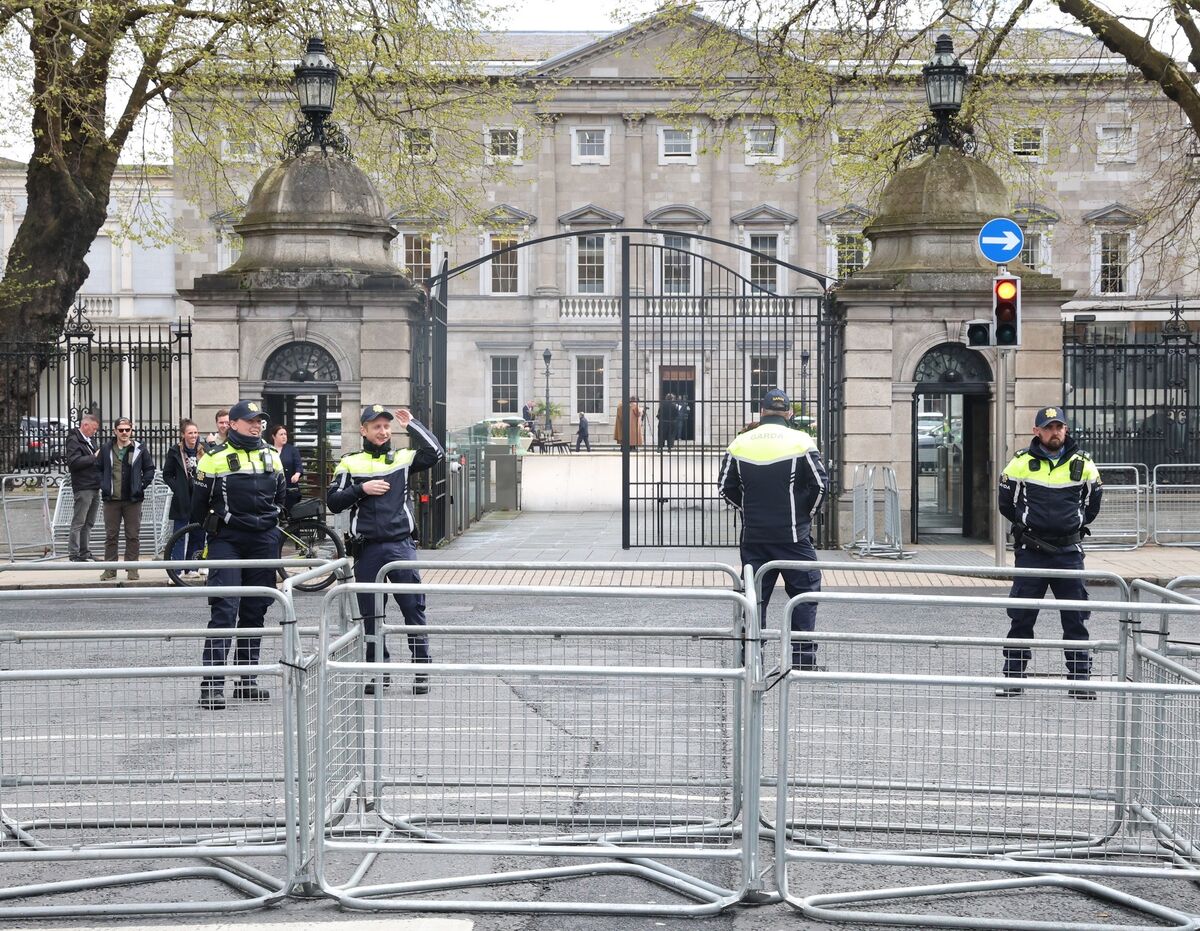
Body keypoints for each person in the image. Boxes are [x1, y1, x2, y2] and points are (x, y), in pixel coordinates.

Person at [328, 404, 445, 695]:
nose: (382, 431)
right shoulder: (350, 463)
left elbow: (436, 454)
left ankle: (421, 669)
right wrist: (361, 490)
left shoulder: (403, 458)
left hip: (399, 546)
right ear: (363, 430)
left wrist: (413, 425)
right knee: (371, 615)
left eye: (386, 426)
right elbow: (333, 501)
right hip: (367, 550)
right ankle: (378, 671)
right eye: (376, 426)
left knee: (413, 609)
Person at [996, 406, 1104, 700]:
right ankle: (1013, 678)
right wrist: (1026, 526)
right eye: (1048, 427)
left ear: (1065, 430)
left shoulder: (1083, 464)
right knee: (1021, 617)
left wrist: (1076, 524)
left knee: (1075, 619)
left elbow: (1093, 503)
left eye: (1059, 427)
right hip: (1031, 551)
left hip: (1069, 552)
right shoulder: (1020, 463)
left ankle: (1080, 681)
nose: (1054, 432)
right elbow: (1006, 503)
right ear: (1037, 431)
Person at [719, 389, 828, 669]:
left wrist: (749, 510)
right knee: (805, 596)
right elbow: (820, 486)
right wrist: (805, 515)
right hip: (794, 537)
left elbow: (725, 488)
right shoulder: (802, 441)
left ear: (762, 412)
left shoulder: (740, 443)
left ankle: (750, 661)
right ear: (789, 414)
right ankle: (803, 661)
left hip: (754, 537)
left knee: (753, 600)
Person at [192, 400, 286, 711]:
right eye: (249, 420)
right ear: (232, 424)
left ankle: (247, 681)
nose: (256, 425)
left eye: (259, 420)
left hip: (264, 540)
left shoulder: (272, 455)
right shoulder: (214, 458)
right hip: (228, 539)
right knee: (224, 610)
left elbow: (282, 496)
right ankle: (212, 685)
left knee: (255, 610)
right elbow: (198, 505)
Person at [98, 418, 157, 581]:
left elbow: (149, 469)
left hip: (133, 500)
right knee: (111, 535)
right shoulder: (106, 449)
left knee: (133, 535)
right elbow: (98, 469)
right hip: (111, 500)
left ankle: (132, 569)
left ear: (131, 430)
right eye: (121, 429)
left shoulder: (139, 448)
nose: (124, 433)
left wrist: (141, 486)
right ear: (115, 431)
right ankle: (110, 569)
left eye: (127, 429)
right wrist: (103, 485)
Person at [162, 419, 207, 579]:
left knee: (198, 532)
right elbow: (167, 474)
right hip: (182, 499)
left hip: (199, 498)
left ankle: (192, 567)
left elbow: (207, 473)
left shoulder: (204, 450)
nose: (194, 436)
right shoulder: (175, 451)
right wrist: (178, 488)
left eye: (195, 432)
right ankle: (178, 569)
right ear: (183, 435)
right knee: (180, 534)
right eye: (190, 433)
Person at [63, 412, 101, 561]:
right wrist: (94, 457)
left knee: (89, 522)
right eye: (93, 428)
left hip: (94, 485)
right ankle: (74, 553)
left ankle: (85, 552)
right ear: (85, 425)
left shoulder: (90, 441)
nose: (95, 431)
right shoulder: (74, 440)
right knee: (79, 521)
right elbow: (73, 463)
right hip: (83, 486)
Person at [267, 423, 304, 510]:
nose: (284, 436)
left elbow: (298, 465)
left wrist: (297, 474)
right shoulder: (268, 450)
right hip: (273, 490)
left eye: (285, 434)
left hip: (290, 489)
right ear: (274, 436)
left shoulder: (292, 450)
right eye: (281, 434)